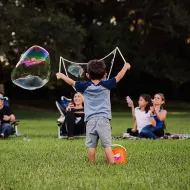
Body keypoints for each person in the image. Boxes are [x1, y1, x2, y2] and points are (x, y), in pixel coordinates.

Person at [56, 60, 131, 164]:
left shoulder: (84, 86)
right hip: (103, 120)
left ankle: (91, 163)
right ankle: (112, 162)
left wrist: (62, 75)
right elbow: (118, 77)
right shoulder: (106, 84)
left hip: (90, 121)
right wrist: (125, 67)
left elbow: (72, 82)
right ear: (105, 75)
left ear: (87, 75)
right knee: (107, 145)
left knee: (91, 145)